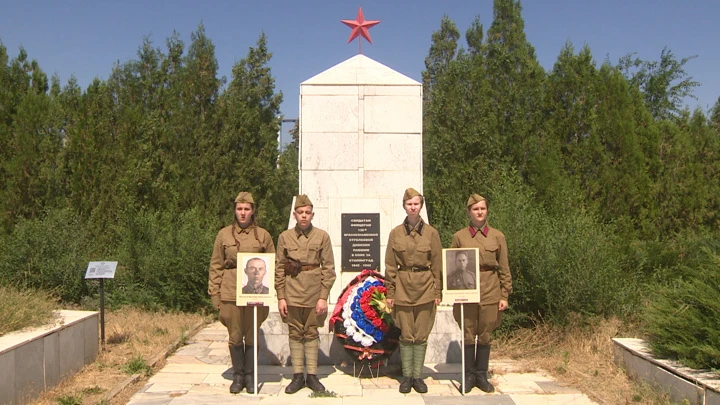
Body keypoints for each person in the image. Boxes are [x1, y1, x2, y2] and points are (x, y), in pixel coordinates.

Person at [208, 192, 275, 394]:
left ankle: (250, 375)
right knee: (235, 335)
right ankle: (238, 375)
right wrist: (215, 293)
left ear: (253, 211)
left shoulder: (263, 235)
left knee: (252, 334)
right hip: (230, 291)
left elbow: (272, 265)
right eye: (239, 209)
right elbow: (216, 265)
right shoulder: (224, 235)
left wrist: (271, 293)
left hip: (256, 293)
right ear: (235, 211)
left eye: (247, 209)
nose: (243, 213)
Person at [451, 194, 512, 393]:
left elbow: (504, 267)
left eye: (482, 209)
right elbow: (451, 264)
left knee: (485, 334)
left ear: (487, 211)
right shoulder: (460, 237)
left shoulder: (497, 236)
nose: (479, 212)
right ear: (469, 212)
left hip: (490, 289)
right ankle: (468, 376)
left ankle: (481, 375)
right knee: (468, 333)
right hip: (467, 290)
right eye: (475, 209)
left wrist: (504, 294)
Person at [275, 195, 336, 394]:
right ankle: (297, 375)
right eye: (300, 213)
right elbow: (279, 269)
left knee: (311, 332)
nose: (304, 216)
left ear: (312, 214)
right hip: (292, 292)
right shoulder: (285, 237)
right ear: (294, 215)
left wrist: (323, 297)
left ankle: (312, 375)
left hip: (313, 292)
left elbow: (329, 269)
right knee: (294, 332)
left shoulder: (322, 236)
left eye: (307, 213)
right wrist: (281, 296)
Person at [384, 188, 442, 394]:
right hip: (403, 288)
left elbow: (437, 264)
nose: (413, 207)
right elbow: (390, 265)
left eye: (416, 204)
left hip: (425, 287)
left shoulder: (432, 233)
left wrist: (438, 292)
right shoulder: (396, 234)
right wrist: (390, 293)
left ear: (421, 206)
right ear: (404, 206)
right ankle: (407, 376)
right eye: (409, 204)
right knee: (407, 334)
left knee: (421, 334)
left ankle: (418, 376)